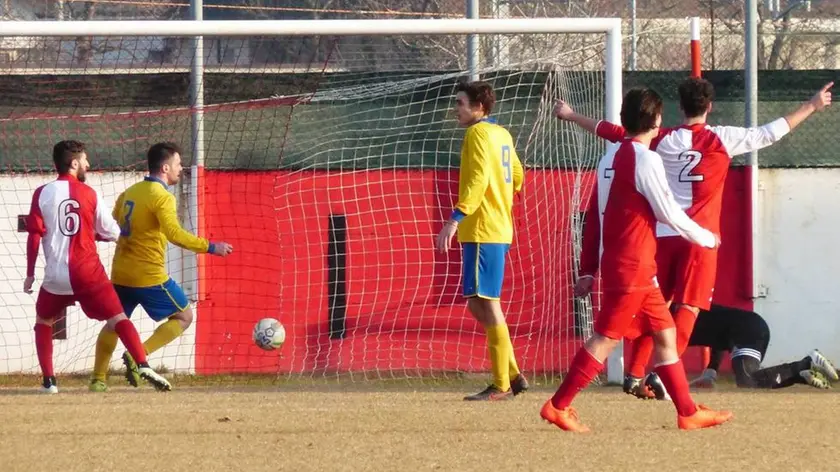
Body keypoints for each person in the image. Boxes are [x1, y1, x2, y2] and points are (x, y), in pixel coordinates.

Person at [555, 78, 833, 397]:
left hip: (661, 238)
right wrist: (811, 105)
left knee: (660, 306)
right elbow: (771, 131)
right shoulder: (723, 138)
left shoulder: (662, 138)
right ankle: (660, 378)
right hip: (697, 239)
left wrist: (574, 116)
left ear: (680, 105)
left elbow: (618, 133)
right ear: (710, 106)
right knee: (688, 308)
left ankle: (634, 374)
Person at [540, 88, 731, 432]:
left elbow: (598, 216)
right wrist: (705, 237)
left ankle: (686, 411)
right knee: (605, 338)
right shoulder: (645, 159)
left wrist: (590, 268)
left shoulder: (611, 157)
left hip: (628, 262)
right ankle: (558, 405)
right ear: (657, 120)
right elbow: (668, 211)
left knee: (665, 333)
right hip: (633, 265)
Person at [24, 140, 171, 393]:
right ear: (73, 163)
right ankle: (142, 362)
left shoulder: (41, 193)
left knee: (43, 320)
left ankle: (49, 382)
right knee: (118, 318)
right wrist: (97, 234)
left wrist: (29, 274)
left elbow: (34, 236)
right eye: (84, 160)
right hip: (87, 274)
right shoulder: (89, 193)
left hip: (56, 276)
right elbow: (113, 232)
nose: (88, 164)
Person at [89, 142, 233, 392]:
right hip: (148, 275)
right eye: (178, 164)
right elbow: (174, 234)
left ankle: (98, 379)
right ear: (165, 167)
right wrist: (211, 247)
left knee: (114, 322)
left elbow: (111, 227)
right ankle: (137, 356)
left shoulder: (130, 192)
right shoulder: (162, 197)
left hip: (121, 272)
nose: (181, 169)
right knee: (185, 316)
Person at [435, 80, 528, 401]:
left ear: (479, 107)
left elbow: (477, 179)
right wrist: (504, 197)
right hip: (497, 227)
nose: (455, 109)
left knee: (488, 305)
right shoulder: (501, 134)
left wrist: (454, 219)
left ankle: (502, 383)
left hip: (482, 228)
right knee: (478, 303)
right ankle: (513, 374)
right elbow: (517, 174)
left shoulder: (476, 134)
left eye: (460, 103)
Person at [685, 304, 839, 389]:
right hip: (749, 327)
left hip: (747, 330)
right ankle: (803, 374)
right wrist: (710, 373)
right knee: (751, 381)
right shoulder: (677, 314)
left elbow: (667, 360)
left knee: (747, 380)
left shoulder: (670, 322)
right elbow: (715, 334)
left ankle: (806, 363)